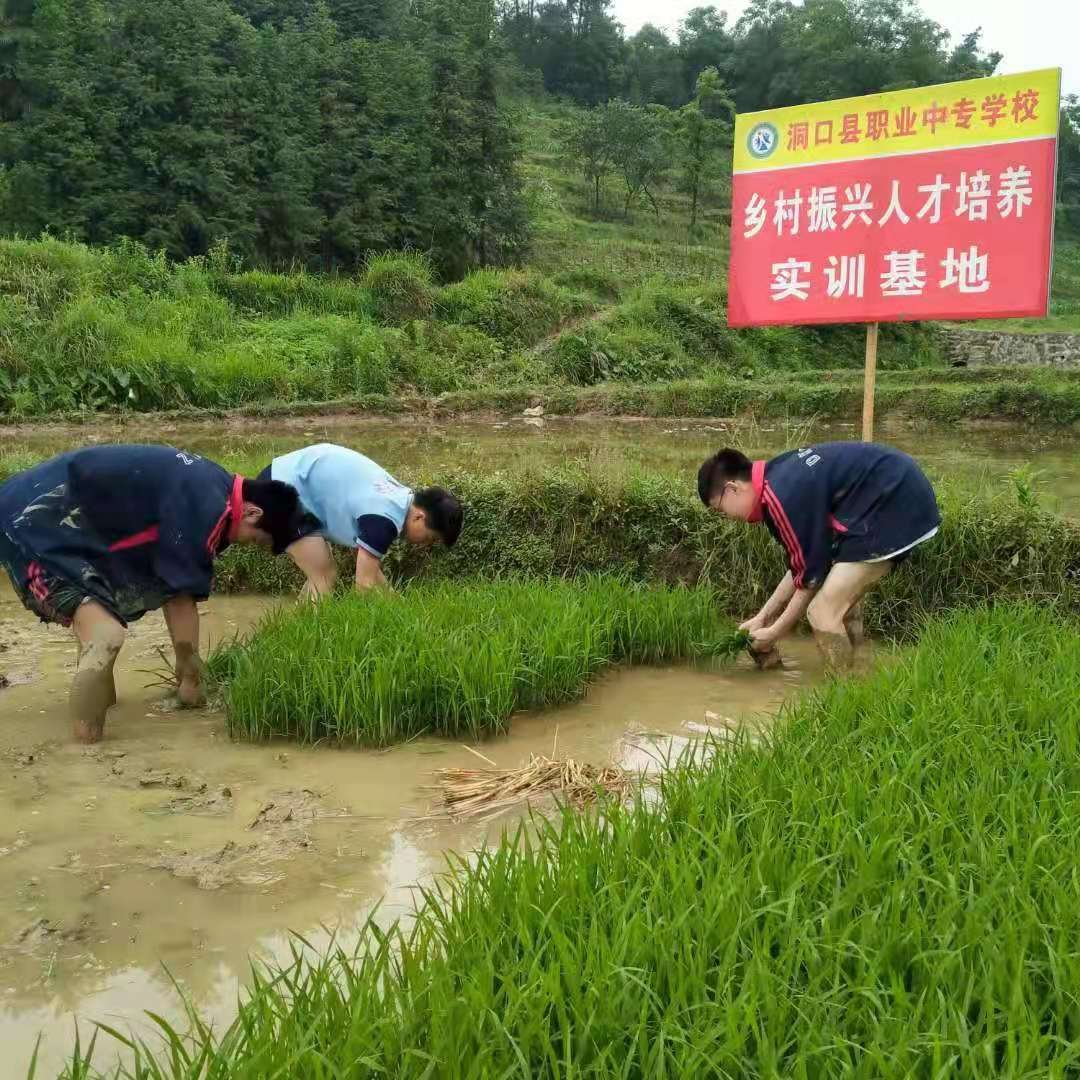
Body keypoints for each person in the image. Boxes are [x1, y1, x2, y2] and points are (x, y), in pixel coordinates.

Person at [0, 445, 301, 742]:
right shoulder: (209, 508)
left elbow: (174, 590)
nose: (244, 545)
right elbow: (182, 597)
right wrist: (191, 680)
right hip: (32, 524)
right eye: (255, 540)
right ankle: (86, 754)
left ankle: (99, 712)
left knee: (100, 619)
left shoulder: (209, 484)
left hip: (55, 517)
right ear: (251, 512)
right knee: (105, 634)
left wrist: (187, 675)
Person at [697, 442, 940, 670]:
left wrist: (774, 633)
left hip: (896, 505)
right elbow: (802, 566)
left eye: (720, 509)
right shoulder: (778, 482)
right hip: (893, 496)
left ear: (732, 489)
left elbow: (812, 577)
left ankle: (847, 695)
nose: (727, 517)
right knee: (842, 605)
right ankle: (862, 669)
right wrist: (762, 617)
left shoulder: (781, 497)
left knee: (822, 611)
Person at [258, 443, 462, 596]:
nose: (424, 545)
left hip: (284, 478)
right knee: (324, 574)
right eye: (430, 538)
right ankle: (304, 638)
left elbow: (370, 567)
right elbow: (363, 584)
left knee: (320, 570)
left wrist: (397, 606)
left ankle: (300, 628)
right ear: (420, 517)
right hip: (281, 489)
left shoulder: (398, 498)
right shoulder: (384, 520)